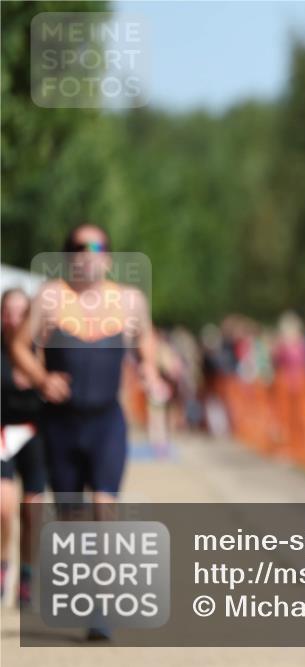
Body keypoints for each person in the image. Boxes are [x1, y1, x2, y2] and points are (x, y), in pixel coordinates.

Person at [9, 222, 166, 639]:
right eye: (79, 247)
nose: (88, 253)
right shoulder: (50, 297)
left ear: (108, 256)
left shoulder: (129, 300)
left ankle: (102, 609)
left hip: (105, 422)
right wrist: (42, 379)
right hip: (60, 425)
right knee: (72, 517)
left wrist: (149, 371)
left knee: (104, 506)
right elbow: (18, 346)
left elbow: (145, 341)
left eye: (97, 246)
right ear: (68, 255)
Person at [0, 288, 46, 607]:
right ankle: (3, 567)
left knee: (32, 509)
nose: (15, 318)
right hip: (2, 431)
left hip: (35, 433)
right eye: (8, 312)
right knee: (3, 507)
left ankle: (26, 576)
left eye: (20, 312)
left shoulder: (41, 348)